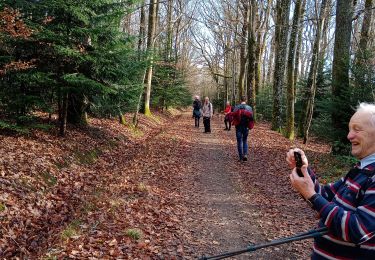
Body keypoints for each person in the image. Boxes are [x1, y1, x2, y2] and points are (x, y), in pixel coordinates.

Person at [286, 102, 375, 259]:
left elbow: (358, 229)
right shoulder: (360, 169)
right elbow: (326, 195)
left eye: (357, 129)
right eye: (349, 129)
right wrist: (303, 169)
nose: (349, 136)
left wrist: (311, 195)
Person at [229, 96, 254, 161]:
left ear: (240, 100)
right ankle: (245, 154)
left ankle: (240, 157)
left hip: (238, 126)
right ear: (246, 100)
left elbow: (233, 115)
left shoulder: (237, 107)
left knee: (239, 141)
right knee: (245, 140)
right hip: (246, 126)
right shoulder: (249, 108)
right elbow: (252, 117)